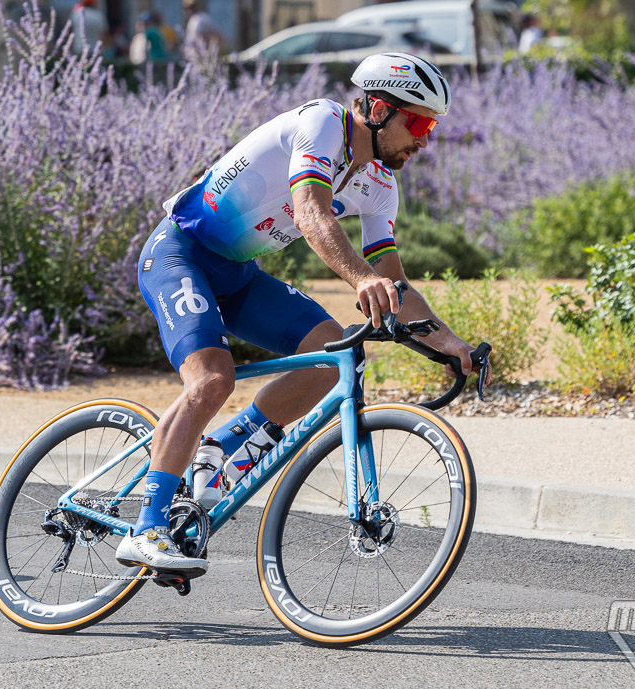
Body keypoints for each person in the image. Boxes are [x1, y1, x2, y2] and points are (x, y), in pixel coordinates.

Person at [116, 53, 488, 574]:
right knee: (211, 380)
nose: (424, 140)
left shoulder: (379, 184)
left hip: (237, 275)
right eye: (419, 122)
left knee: (330, 353)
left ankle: (222, 445)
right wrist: (362, 279)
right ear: (379, 108)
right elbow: (311, 213)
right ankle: (146, 528)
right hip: (181, 254)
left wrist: (450, 342)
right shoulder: (320, 121)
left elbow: (397, 282)